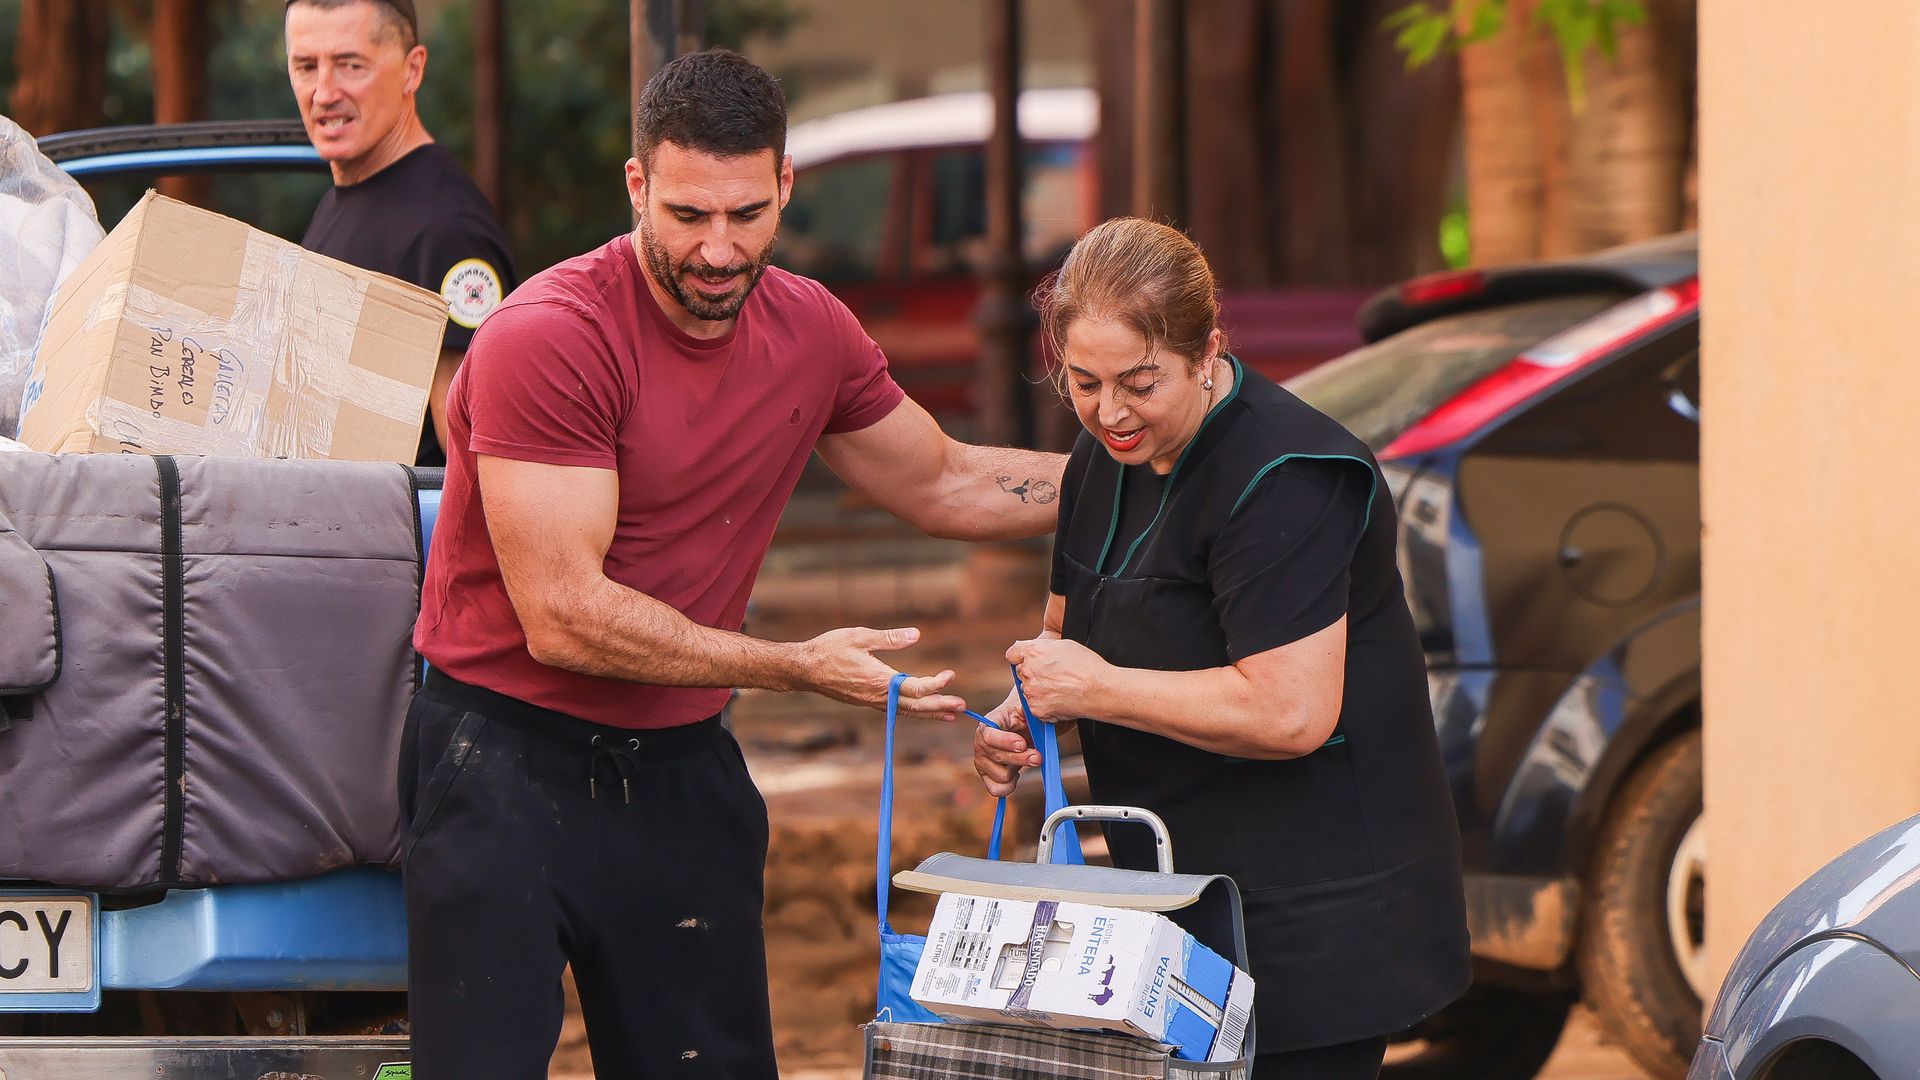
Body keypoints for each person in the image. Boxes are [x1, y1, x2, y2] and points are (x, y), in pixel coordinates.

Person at [404, 48, 1065, 1080]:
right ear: (637, 187)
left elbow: (944, 482)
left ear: (786, 186)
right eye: (687, 216)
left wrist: (1142, 469)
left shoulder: (812, 329)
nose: (718, 249)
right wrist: (796, 665)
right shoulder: (550, 335)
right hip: (501, 762)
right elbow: (565, 614)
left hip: (680, 769)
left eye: (747, 215)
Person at [973, 218, 1470, 1077]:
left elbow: (1289, 713)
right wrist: (1029, 709)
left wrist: (1093, 691)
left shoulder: (1289, 477)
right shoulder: (1100, 463)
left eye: (1140, 381)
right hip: (1172, 894)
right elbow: (1066, 631)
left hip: (1313, 915)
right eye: (1083, 383)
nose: (1111, 411)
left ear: (1208, 349)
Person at [284, 0, 516, 466]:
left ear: (413, 70)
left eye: (350, 65)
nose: (324, 92)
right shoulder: (341, 199)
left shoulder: (446, 231)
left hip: (395, 536)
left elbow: (472, 469)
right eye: (307, 66)